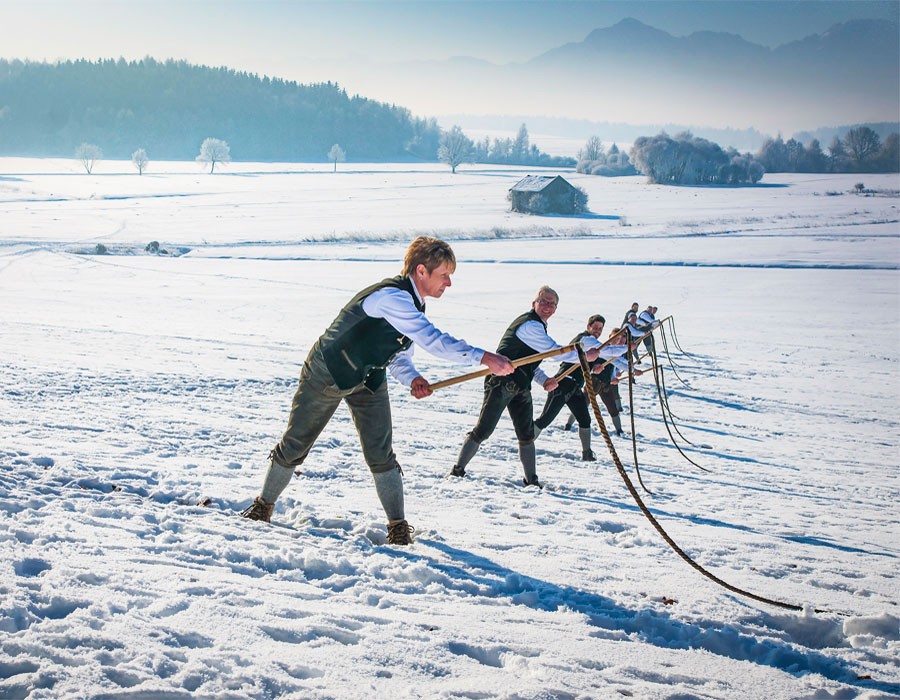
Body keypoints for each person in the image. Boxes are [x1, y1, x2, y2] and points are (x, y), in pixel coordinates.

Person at [240, 237, 514, 545]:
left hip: (368, 376)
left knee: (381, 452)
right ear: (421, 271)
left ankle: (398, 527)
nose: (448, 283)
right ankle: (262, 507)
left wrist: (412, 378)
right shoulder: (392, 297)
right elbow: (432, 339)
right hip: (329, 370)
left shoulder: (415, 305)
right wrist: (484, 357)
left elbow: (398, 354)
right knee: (297, 443)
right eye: (444, 275)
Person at [449, 286, 599, 488]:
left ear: (555, 309)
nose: (547, 306)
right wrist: (583, 356)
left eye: (552, 303)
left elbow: (531, 363)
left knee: (526, 434)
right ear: (534, 303)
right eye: (543, 301)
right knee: (484, 429)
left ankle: (531, 481)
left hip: (521, 386)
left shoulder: (539, 328)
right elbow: (554, 352)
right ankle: (457, 470)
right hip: (501, 383)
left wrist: (544, 380)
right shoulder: (530, 325)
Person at [533, 314, 606, 461]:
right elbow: (604, 349)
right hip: (563, 383)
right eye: (595, 327)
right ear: (588, 327)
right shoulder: (584, 339)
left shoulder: (593, 347)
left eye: (600, 329)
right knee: (545, 419)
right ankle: (525, 444)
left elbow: (583, 366)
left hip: (574, 387)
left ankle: (587, 453)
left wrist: (594, 368)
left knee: (585, 419)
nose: (598, 331)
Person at [568, 328, 644, 436]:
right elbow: (617, 362)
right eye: (617, 338)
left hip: (606, 384)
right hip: (594, 382)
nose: (619, 341)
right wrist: (633, 370)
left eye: (622, 338)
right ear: (610, 337)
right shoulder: (603, 349)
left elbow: (614, 365)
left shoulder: (617, 352)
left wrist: (614, 377)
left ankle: (619, 430)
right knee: (583, 404)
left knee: (612, 407)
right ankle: (568, 424)